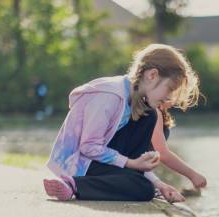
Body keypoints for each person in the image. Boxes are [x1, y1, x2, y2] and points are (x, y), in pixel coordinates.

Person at [43, 43, 207, 203]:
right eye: (170, 89)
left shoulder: (138, 105)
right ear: (152, 75)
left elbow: (134, 162)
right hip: (78, 163)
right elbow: (88, 147)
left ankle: (84, 184)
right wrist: (131, 163)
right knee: (143, 189)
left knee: (144, 184)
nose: (169, 98)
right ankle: (73, 184)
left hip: (99, 162)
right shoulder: (111, 96)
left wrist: (159, 184)